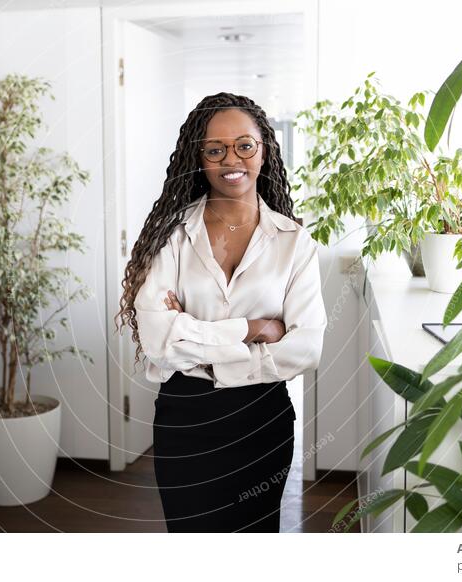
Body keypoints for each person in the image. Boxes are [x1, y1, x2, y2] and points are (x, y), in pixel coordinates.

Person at [115, 92, 327, 532]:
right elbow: (159, 340)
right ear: (200, 158)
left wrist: (194, 336)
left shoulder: (294, 243)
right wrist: (253, 328)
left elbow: (305, 348)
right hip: (185, 419)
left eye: (245, 145)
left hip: (261, 419)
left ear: (264, 151)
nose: (232, 159)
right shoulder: (171, 235)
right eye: (216, 149)